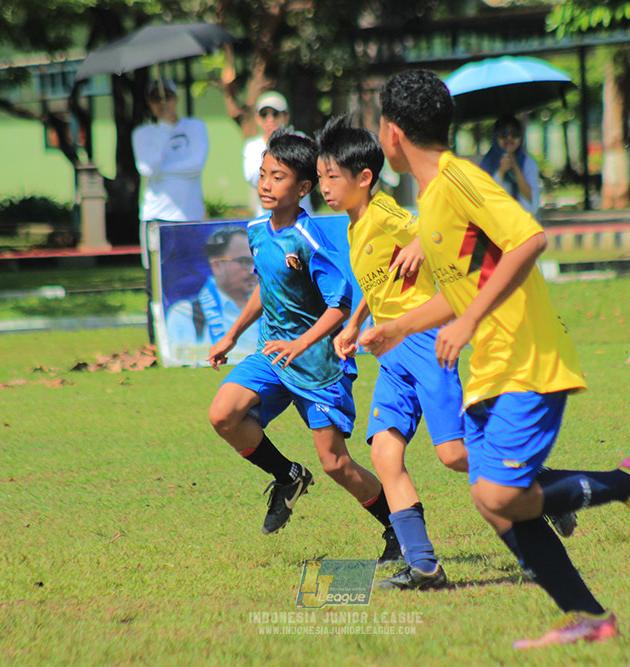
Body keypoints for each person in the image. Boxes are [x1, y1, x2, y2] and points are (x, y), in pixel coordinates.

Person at [362, 69, 630, 649]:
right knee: (496, 504)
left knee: (502, 496)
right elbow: (464, 284)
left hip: (525, 357)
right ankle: (591, 617)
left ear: (391, 134)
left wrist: (465, 322)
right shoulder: (432, 200)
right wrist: (399, 327)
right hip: (488, 368)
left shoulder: (458, 180)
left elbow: (528, 240)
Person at [207, 128, 399, 561]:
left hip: (317, 365)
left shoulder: (310, 240)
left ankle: (396, 526)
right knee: (223, 414)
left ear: (304, 187)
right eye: (262, 175)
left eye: (277, 177)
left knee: (337, 465)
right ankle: (288, 475)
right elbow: (266, 287)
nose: (265, 185)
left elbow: (339, 304)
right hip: (274, 356)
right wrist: (233, 334)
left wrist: (300, 344)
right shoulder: (256, 230)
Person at [316, 115, 467, 591]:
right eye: (320, 177)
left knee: (454, 453)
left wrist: (424, 239)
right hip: (391, 352)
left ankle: (541, 486)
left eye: (331, 177)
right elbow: (378, 282)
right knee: (384, 452)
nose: (323, 187)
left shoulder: (384, 215)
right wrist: (356, 322)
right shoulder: (356, 225)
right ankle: (422, 563)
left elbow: (445, 227)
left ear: (364, 178)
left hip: (425, 342)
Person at [133, 78, 210, 341]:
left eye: (168, 97)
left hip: (190, 218)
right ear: (150, 104)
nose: (164, 103)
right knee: (155, 284)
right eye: (157, 99)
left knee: (194, 281)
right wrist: (165, 129)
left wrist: (164, 169)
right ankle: (158, 342)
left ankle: (193, 340)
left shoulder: (195, 127)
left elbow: (196, 165)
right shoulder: (143, 134)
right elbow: (147, 168)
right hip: (156, 219)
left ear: (177, 98)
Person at [164, 226, 260, 365]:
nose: (253, 270)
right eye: (244, 262)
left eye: (256, 262)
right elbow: (178, 361)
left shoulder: (272, 309)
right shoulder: (185, 314)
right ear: (217, 266)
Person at [242, 91, 313, 217]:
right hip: (267, 220)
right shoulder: (251, 146)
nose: (270, 120)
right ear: (258, 119)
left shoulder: (300, 139)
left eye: (275, 114)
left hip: (300, 219)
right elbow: (253, 178)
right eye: (264, 115)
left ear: (286, 117)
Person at [479, 115, 541, 217]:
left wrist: (516, 169)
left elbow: (531, 199)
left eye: (514, 134)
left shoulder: (528, 164)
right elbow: (485, 197)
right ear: (496, 137)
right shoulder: (487, 164)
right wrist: (501, 172)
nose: (509, 138)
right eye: (503, 134)